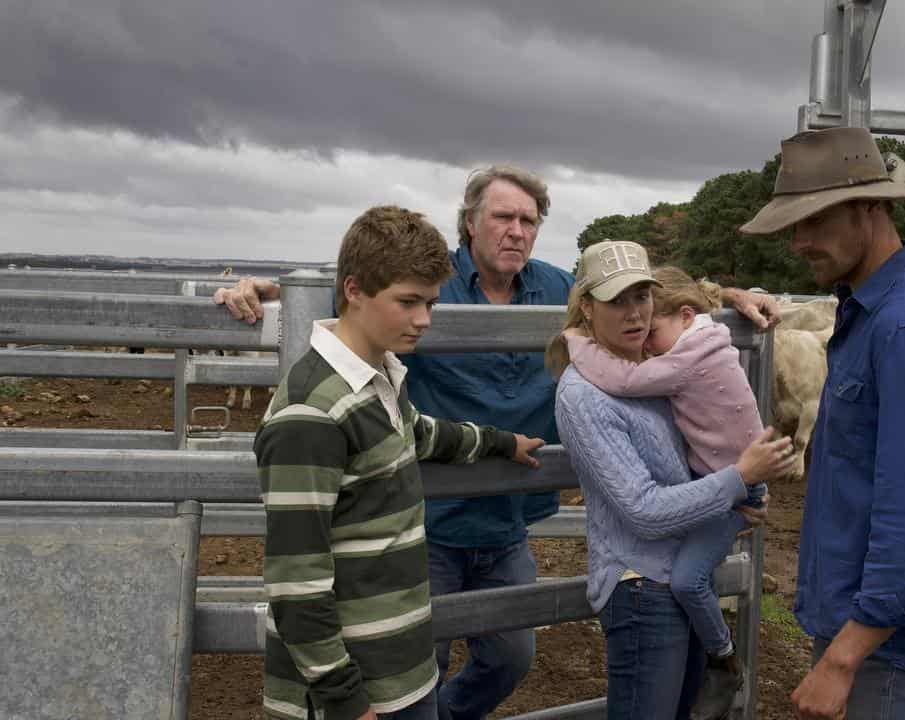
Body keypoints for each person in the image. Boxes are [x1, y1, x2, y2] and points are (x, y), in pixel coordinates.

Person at [215, 166, 782, 719]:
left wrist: (725, 297)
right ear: (469, 223)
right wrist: (274, 289)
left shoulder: (552, 287)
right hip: (428, 524)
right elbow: (367, 277)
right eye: (503, 217)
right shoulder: (420, 288)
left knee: (508, 656)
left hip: (500, 519)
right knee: (421, 658)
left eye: (529, 220)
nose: (517, 230)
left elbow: (634, 292)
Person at [255, 205, 544, 720]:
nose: (423, 320)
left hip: (404, 674)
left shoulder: (379, 377)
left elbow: (420, 433)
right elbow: (296, 582)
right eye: (407, 302)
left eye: (430, 302)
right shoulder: (310, 412)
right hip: (356, 694)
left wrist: (501, 443)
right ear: (353, 290)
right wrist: (345, 699)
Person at [740, 126, 905, 720]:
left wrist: (842, 660)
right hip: (868, 636)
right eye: (793, 225)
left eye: (816, 220)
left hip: (891, 658)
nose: (799, 242)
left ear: (872, 206)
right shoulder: (869, 314)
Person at [549, 240, 794, 720]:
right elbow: (643, 509)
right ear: (586, 307)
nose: (634, 313)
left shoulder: (653, 363)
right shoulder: (582, 395)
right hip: (641, 584)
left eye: (641, 297)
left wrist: (729, 296)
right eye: (616, 301)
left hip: (679, 572)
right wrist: (738, 479)